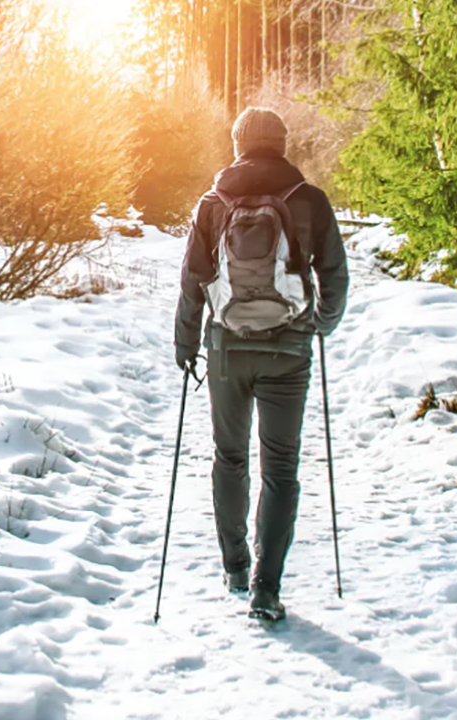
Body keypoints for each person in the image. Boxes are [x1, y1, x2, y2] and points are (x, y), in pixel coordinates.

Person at [174, 107, 348, 621]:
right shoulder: (309, 200)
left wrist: (186, 344)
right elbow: (334, 274)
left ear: (238, 146)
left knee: (229, 458)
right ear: (282, 144)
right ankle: (265, 587)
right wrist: (320, 324)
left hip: (227, 347)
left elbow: (193, 279)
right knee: (281, 468)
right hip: (289, 350)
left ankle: (233, 565)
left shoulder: (212, 203)